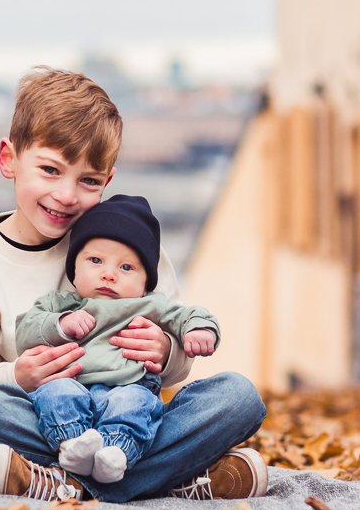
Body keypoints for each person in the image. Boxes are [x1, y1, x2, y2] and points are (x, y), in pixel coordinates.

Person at [0, 67, 269, 503]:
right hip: (44, 415)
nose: (66, 194)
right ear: (9, 159)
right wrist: (16, 376)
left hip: (131, 411)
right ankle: (165, 480)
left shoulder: (130, 244)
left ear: (108, 180)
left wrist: (166, 350)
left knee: (238, 398)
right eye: (49, 170)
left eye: (88, 181)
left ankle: (62, 485)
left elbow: (177, 358)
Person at [16, 194, 220, 484]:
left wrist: (199, 330)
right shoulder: (62, 303)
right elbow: (26, 329)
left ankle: (115, 453)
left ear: (145, 284)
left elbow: (187, 315)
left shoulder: (150, 305)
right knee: (53, 392)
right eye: (96, 261)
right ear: (74, 270)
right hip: (74, 386)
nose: (109, 274)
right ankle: (74, 446)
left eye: (126, 268)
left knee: (136, 402)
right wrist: (59, 324)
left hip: (128, 385)